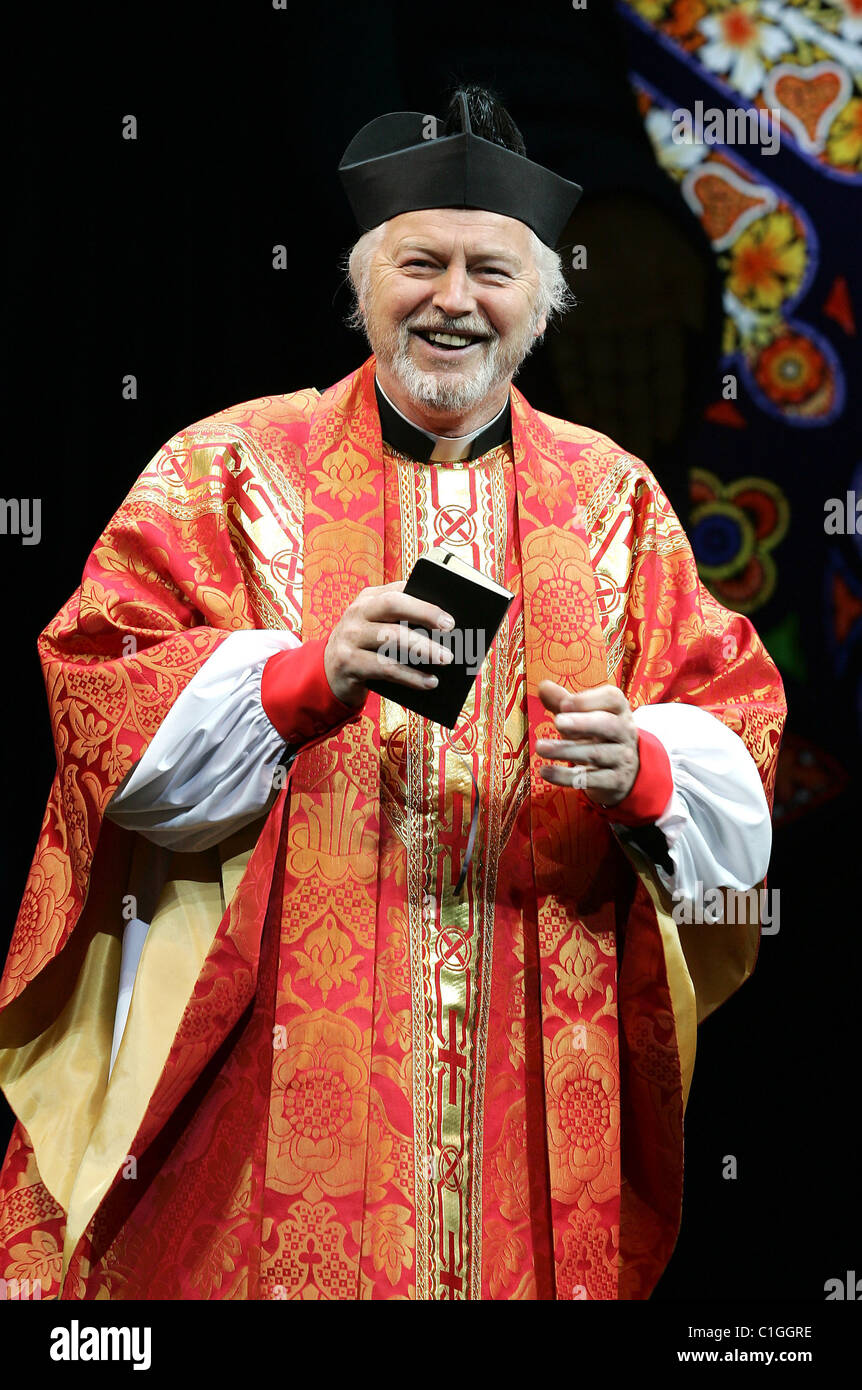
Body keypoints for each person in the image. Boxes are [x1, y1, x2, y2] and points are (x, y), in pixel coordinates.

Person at [0, 85, 785, 1301]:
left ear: (540, 304)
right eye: (419, 262)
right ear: (364, 280)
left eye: (492, 271)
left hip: (540, 1047)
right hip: (268, 1071)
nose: (453, 301)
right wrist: (297, 679)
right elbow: (94, 696)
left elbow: (739, 730)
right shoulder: (223, 467)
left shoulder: (613, 498)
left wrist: (647, 766)